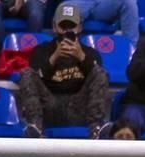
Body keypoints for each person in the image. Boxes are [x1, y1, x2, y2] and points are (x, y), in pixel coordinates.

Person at [18, 3, 110, 139]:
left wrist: (81, 57)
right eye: (63, 26)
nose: (67, 31)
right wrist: (54, 58)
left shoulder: (91, 53)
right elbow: (35, 78)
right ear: (55, 27)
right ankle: (36, 129)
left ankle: (95, 130)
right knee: (26, 74)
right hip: (50, 106)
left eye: (71, 26)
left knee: (100, 73)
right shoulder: (40, 51)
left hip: (79, 107)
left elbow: (97, 79)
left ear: (79, 27)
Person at [64, 0, 139, 45]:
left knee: (129, 1)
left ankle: (131, 50)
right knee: (66, 9)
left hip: (103, 3)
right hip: (76, 2)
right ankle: (66, 54)